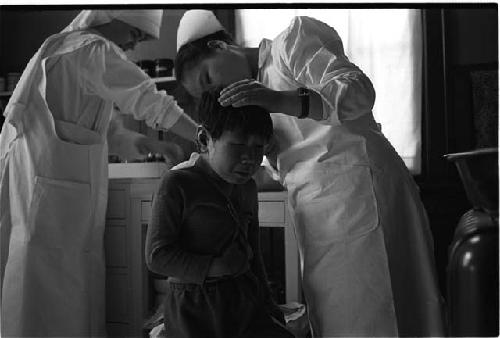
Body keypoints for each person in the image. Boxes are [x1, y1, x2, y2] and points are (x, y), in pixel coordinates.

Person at [174, 9, 446, 337]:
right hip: (314, 212)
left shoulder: (290, 44)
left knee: (375, 311)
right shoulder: (250, 110)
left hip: (359, 188)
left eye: (207, 78)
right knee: (337, 316)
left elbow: (356, 91)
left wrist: (276, 99)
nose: (216, 89)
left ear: (219, 46)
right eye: (207, 92)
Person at [0, 9, 198, 337]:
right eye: (139, 32)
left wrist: (154, 144)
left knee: (43, 290)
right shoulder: (91, 50)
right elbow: (151, 101)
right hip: (50, 200)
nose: (140, 41)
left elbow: (104, 130)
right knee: (54, 293)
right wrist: (205, 136)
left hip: (43, 193)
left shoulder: (66, 50)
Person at [145, 87, 294, 338]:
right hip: (194, 307)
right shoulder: (177, 184)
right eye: (237, 145)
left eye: (258, 147)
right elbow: (157, 256)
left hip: (243, 299)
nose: (249, 158)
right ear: (204, 139)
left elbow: (254, 251)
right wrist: (216, 267)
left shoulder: (246, 186)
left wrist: (269, 305)